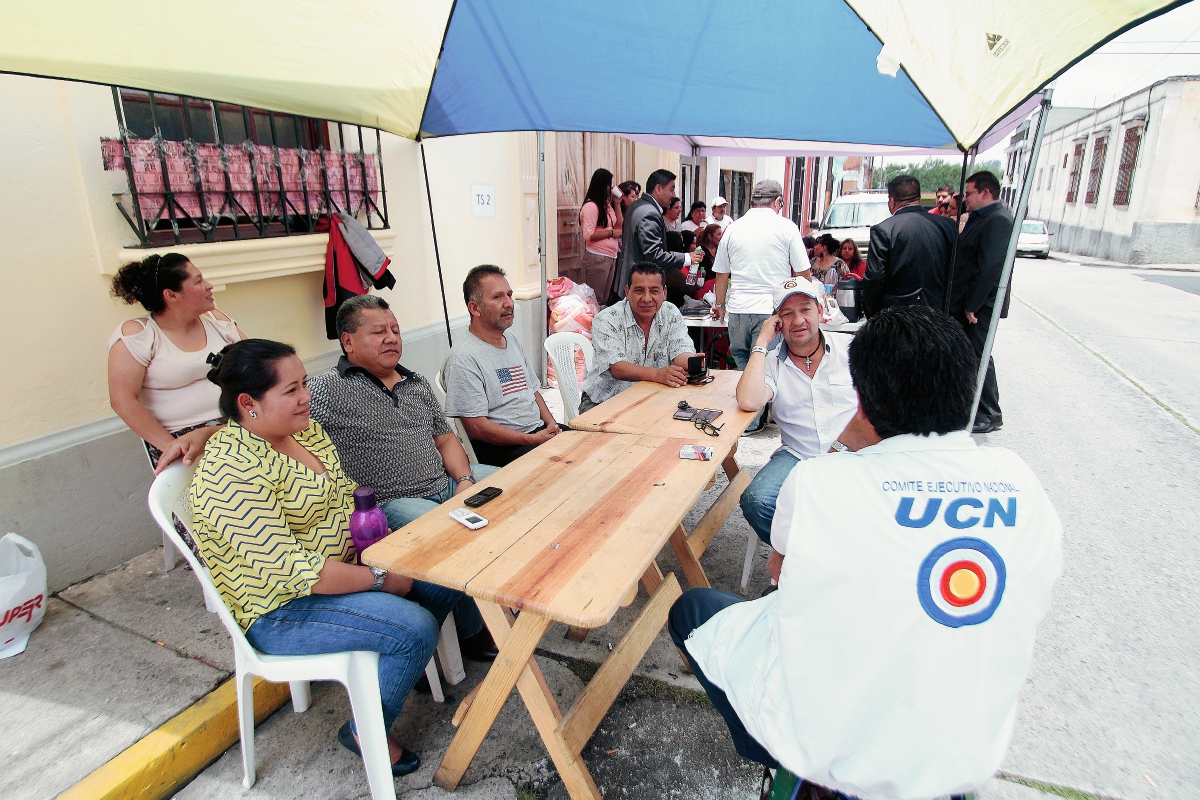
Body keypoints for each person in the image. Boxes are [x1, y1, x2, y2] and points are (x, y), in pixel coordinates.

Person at [669, 306, 1063, 799]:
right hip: (963, 755)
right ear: (968, 390)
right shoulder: (1024, 485)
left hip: (833, 748)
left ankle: (772, 755)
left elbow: (781, 578)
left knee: (693, 609)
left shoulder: (819, 484)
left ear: (860, 397)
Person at [190, 339, 469, 776]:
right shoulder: (230, 472)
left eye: (304, 383)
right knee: (413, 628)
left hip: (347, 569)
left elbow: (342, 503)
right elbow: (300, 573)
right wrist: (380, 579)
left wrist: (385, 557)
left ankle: (392, 665)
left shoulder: (305, 432)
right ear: (249, 403)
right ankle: (364, 729)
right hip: (282, 609)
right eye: (292, 390)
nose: (307, 396)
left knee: (444, 570)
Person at [308, 295, 501, 662]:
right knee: (454, 538)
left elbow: (446, 438)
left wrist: (463, 481)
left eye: (395, 330)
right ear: (347, 342)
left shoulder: (416, 383)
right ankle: (471, 632)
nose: (391, 338)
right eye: (378, 331)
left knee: (515, 489)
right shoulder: (326, 389)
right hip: (392, 501)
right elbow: (274, 418)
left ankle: (504, 591)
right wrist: (200, 436)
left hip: (446, 484)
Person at [733, 280, 858, 544]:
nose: (798, 320)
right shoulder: (771, 362)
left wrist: (843, 448)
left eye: (805, 309)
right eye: (787, 314)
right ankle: (808, 560)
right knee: (757, 500)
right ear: (777, 321)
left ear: (820, 311)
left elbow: (879, 409)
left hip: (854, 453)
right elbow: (748, 401)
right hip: (799, 455)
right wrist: (761, 342)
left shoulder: (850, 350)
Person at [108, 253, 245, 472]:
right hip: (182, 438)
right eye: (198, 281)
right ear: (171, 295)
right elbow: (123, 400)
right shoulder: (138, 336)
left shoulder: (218, 322)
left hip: (239, 425)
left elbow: (258, 366)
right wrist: (173, 448)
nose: (209, 286)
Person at [443, 265, 561, 466]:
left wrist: (551, 424)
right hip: (502, 451)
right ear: (475, 308)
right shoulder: (463, 358)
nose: (509, 303)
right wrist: (532, 440)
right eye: (497, 297)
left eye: (509, 294)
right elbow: (476, 427)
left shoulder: (511, 340)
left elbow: (533, 391)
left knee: (590, 446)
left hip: (535, 433)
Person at [579, 263, 698, 412]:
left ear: (664, 292)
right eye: (639, 291)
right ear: (627, 292)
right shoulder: (606, 319)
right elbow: (617, 367)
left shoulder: (671, 312)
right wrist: (658, 374)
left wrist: (693, 364)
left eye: (654, 291)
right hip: (603, 401)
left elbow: (680, 348)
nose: (647, 298)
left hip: (650, 399)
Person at [949, 171, 1013, 434]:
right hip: (969, 299)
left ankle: (989, 411)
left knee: (980, 354)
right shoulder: (982, 217)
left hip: (981, 304)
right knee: (972, 353)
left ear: (986, 192)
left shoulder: (998, 220)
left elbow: (990, 268)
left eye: (969, 193)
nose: (965, 199)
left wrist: (973, 304)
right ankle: (974, 407)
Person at [862, 174, 955, 318]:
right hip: (938, 310)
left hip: (898, 314)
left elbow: (875, 278)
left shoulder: (884, 230)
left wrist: (872, 314)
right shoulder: (947, 225)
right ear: (918, 197)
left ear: (891, 200)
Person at [613, 169, 702, 301]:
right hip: (640, 285)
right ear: (658, 188)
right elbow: (653, 253)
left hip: (631, 282)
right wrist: (686, 258)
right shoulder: (649, 213)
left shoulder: (637, 205)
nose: (673, 194)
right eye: (671, 189)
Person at [577, 168, 623, 303]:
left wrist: (617, 203)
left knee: (604, 298)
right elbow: (588, 234)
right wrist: (610, 233)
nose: (612, 187)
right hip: (597, 257)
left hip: (610, 256)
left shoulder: (606, 205)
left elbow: (619, 224)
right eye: (609, 184)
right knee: (594, 299)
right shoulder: (591, 206)